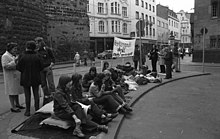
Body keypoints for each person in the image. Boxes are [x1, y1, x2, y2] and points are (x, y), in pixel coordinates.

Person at [16, 41, 44, 116]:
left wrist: (24, 71)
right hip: (36, 77)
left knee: (27, 95)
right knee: (36, 94)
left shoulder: (22, 56)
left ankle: (27, 111)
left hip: (25, 77)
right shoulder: (38, 56)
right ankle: (37, 109)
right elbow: (41, 66)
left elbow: (18, 67)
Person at [1, 42, 25, 113]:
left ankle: (17, 104)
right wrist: (14, 61)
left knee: (15, 91)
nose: (15, 50)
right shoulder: (5, 56)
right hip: (10, 77)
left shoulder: (13, 55)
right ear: (10, 49)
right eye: (14, 49)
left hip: (15, 76)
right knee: (11, 91)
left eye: (16, 49)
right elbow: (5, 66)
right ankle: (13, 106)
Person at [35, 37, 56, 105]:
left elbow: (53, 58)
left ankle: (53, 96)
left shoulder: (47, 49)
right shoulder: (36, 51)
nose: (36, 44)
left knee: (51, 83)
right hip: (40, 69)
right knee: (43, 84)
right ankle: (47, 96)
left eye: (37, 43)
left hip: (47, 67)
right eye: (36, 43)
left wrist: (51, 65)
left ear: (41, 42)